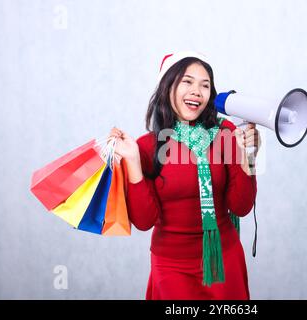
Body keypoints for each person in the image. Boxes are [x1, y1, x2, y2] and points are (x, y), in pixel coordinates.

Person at [109, 51, 261, 300]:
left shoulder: (226, 133)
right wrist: (133, 162)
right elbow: (145, 221)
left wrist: (248, 156)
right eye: (187, 82)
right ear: (167, 87)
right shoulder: (147, 147)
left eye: (205, 85)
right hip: (171, 268)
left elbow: (241, 206)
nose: (197, 91)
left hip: (223, 261)